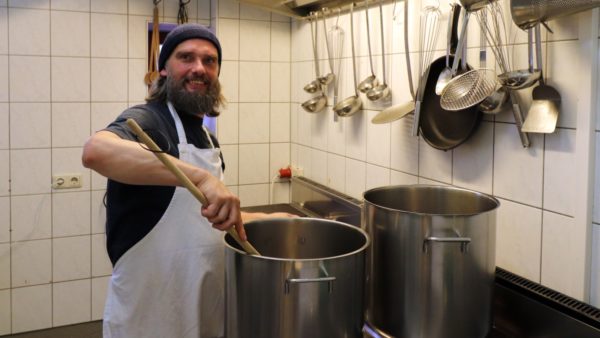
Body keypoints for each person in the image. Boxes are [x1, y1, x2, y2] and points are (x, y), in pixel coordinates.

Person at [82, 23, 291, 338]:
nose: (199, 68)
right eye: (186, 57)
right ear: (164, 69)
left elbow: (199, 216)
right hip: (150, 316)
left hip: (204, 309)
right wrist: (201, 177)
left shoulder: (208, 139)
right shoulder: (150, 120)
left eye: (209, 61)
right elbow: (96, 151)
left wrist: (269, 220)